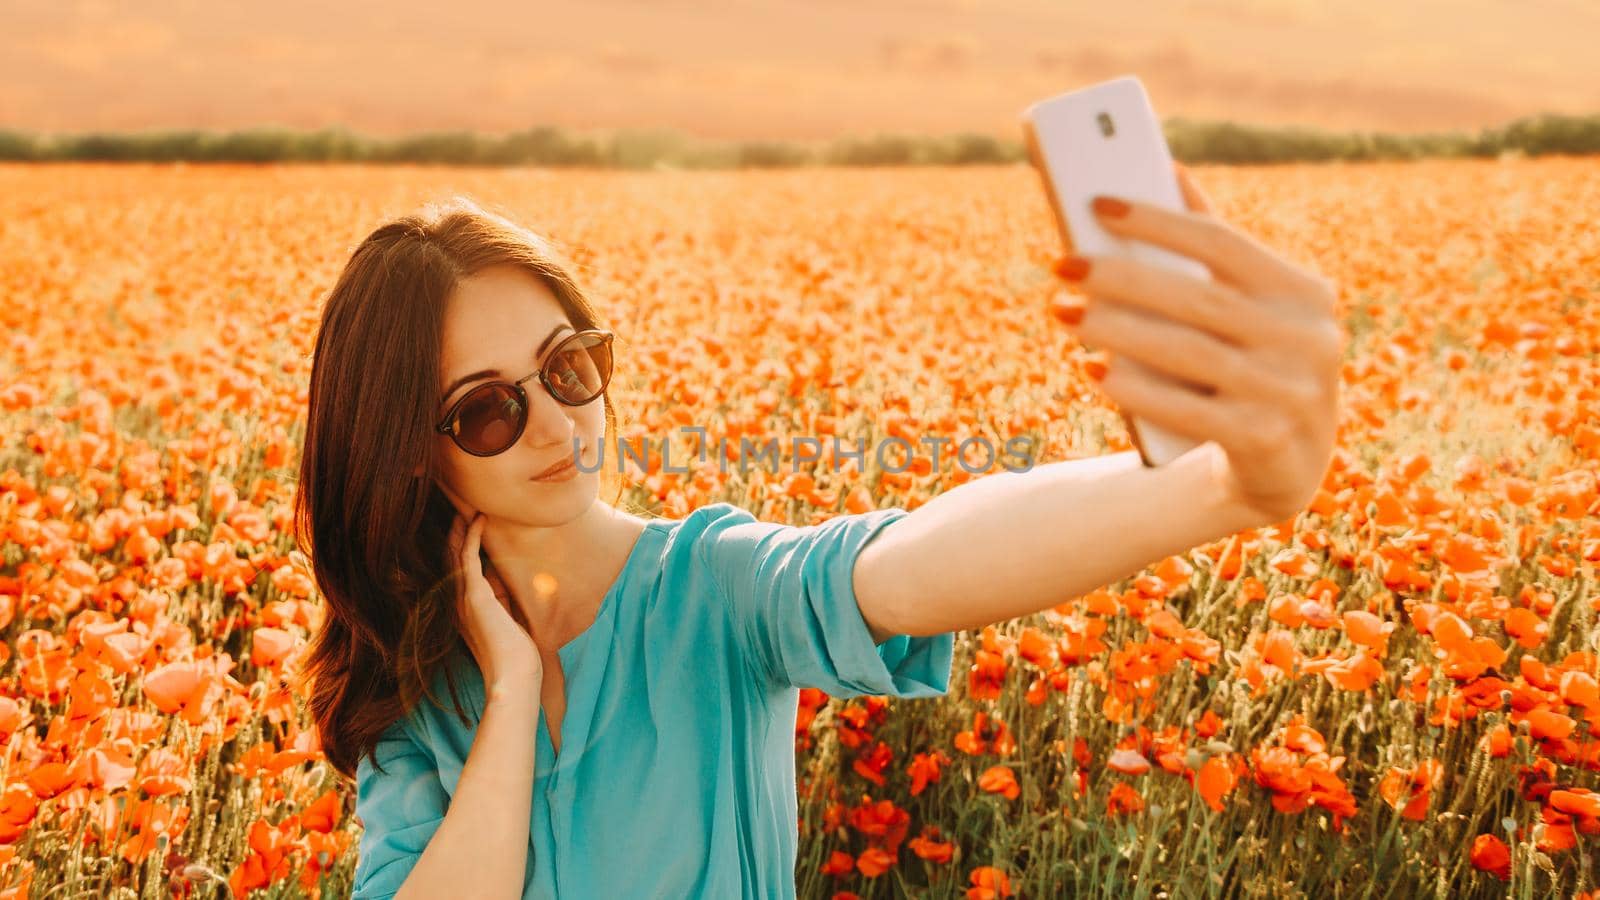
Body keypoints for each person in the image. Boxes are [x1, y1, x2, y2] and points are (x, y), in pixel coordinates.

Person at [294, 166, 1343, 899]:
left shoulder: (709, 586)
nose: (562, 422)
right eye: (488, 408)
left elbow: (905, 562)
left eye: (568, 366)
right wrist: (512, 691)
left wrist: (1220, 490)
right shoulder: (420, 694)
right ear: (412, 451)